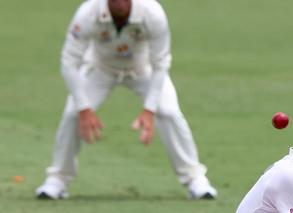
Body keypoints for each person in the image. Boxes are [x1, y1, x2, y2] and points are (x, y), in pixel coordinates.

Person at [36, 0, 217, 200]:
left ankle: (195, 179)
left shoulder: (152, 13)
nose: (120, 2)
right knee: (72, 114)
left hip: (143, 68)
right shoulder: (88, 13)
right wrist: (84, 109)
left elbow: (161, 63)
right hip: (100, 69)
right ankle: (58, 180)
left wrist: (149, 110)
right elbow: (68, 62)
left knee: (168, 112)